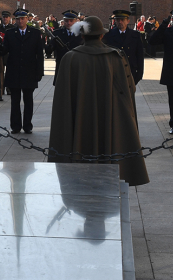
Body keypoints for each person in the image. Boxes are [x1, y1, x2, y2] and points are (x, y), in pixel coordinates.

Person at [49, 15, 148, 186]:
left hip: (79, 123)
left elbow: (62, 102)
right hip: (109, 121)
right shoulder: (117, 58)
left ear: (82, 35)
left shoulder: (70, 58)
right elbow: (128, 92)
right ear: (102, 35)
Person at [0, 9, 44, 134]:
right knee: (15, 101)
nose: (20, 21)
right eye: (18, 19)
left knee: (28, 100)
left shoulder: (35, 33)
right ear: (15, 20)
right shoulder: (10, 33)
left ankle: (27, 125)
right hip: (14, 72)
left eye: (23, 18)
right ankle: (15, 126)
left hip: (30, 72)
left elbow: (39, 54)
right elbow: (4, 50)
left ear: (27, 19)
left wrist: (40, 71)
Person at [104, 9, 146, 84]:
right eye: (117, 20)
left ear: (128, 21)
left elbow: (139, 55)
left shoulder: (135, 35)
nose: (120, 22)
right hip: (115, 72)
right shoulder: (109, 35)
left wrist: (139, 74)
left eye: (122, 20)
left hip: (130, 71)